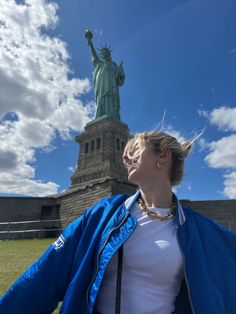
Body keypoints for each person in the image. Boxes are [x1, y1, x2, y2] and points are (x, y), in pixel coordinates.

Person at [1, 130, 236, 314]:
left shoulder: (199, 230)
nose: (125, 157)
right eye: (124, 152)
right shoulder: (104, 214)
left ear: (163, 156)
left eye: (135, 149)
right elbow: (43, 275)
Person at [85, 29, 125, 120]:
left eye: (106, 53)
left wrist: (121, 72)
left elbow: (120, 81)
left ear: (109, 54)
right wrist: (89, 41)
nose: (104, 54)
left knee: (111, 105)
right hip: (101, 89)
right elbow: (93, 53)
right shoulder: (98, 64)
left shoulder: (114, 65)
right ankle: (100, 117)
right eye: (102, 53)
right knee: (101, 103)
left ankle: (112, 117)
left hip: (112, 90)